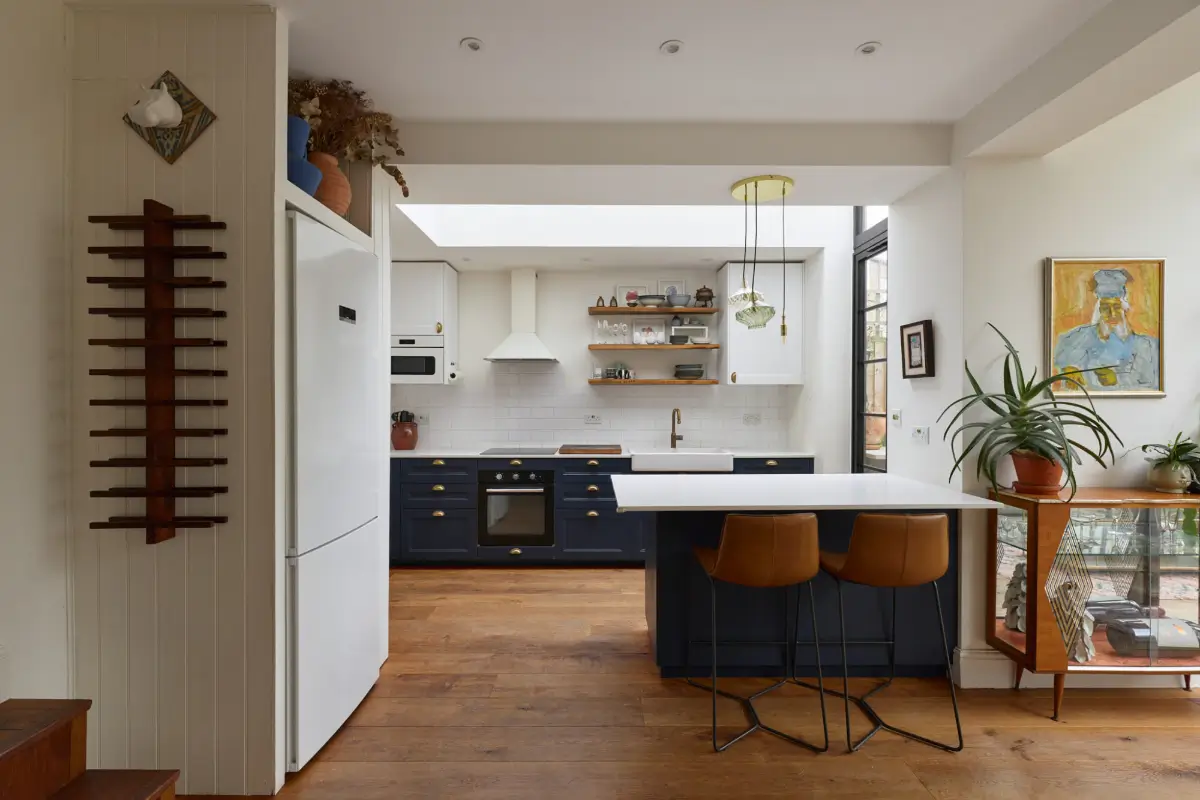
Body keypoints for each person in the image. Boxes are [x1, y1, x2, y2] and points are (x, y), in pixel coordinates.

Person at [1053, 268, 1159, 391]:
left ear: (1124, 309)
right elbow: (1060, 355)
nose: (1112, 314)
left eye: (1116, 307)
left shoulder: (1146, 345)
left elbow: (1151, 384)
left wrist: (1117, 380)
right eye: (1105, 308)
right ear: (1099, 311)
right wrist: (1068, 368)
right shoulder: (1082, 336)